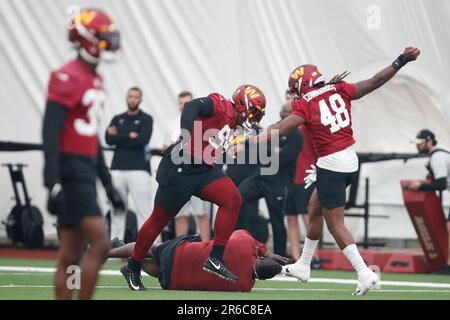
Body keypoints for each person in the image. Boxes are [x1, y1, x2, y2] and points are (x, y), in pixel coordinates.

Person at [233, 47, 421, 295]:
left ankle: (364, 272)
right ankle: (303, 265)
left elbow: (283, 128)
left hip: (332, 163)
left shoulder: (306, 102)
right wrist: (401, 61)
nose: (294, 94)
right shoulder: (339, 89)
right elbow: (375, 82)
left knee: (335, 224)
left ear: (303, 84)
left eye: (296, 88)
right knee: (314, 209)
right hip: (347, 159)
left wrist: (249, 142)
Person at [121, 84, 267, 290]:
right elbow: (190, 107)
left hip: (204, 169)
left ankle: (215, 257)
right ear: (242, 104)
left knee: (233, 200)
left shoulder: (235, 124)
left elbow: (215, 144)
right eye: (254, 111)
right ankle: (133, 266)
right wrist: (186, 137)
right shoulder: (221, 104)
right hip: (182, 166)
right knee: (158, 220)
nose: (255, 117)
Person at [42, 8, 125, 300]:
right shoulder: (67, 76)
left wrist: (108, 183)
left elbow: (91, 140)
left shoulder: (95, 78)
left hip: (86, 168)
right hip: (70, 169)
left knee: (69, 254)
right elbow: (49, 132)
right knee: (100, 244)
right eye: (104, 38)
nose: (109, 43)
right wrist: (51, 181)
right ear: (88, 39)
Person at [109, 230, 286, 292]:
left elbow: (242, 233)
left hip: (179, 253)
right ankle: (132, 261)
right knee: (165, 268)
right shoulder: (245, 286)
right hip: (172, 281)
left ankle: (109, 252)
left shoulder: (245, 244)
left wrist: (265, 251)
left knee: (150, 249)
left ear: (261, 258)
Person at [237, 103, 303, 257]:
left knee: (277, 221)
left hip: (279, 183)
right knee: (236, 198)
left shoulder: (297, 136)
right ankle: (236, 244)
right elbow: (259, 148)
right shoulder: (273, 128)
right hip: (261, 177)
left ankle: (279, 258)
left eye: (289, 112)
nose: (286, 115)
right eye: (284, 112)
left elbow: (285, 158)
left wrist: (271, 150)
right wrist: (273, 149)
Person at [105, 87, 153, 241]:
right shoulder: (117, 118)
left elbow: (142, 140)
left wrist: (119, 136)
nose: (133, 99)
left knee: (143, 211)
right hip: (117, 169)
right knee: (116, 210)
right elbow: (108, 139)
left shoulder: (146, 119)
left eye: (136, 97)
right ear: (126, 98)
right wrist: (129, 135)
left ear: (140, 99)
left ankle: (144, 250)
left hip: (139, 170)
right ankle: (114, 249)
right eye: (130, 96)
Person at [163, 91, 212, 242]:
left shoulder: (202, 122)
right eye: (181, 103)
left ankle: (205, 249)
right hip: (178, 173)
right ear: (178, 104)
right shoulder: (172, 124)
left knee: (202, 214)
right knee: (180, 214)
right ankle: (179, 251)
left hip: (197, 172)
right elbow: (164, 148)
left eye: (187, 103)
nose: (184, 106)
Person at [407, 129, 450, 275]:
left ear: (429, 142)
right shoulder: (439, 155)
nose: (417, 146)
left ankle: (449, 267)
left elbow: (441, 184)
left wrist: (421, 186)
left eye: (420, 143)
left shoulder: (437, 157)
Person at [286, 122, 321, 266]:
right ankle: (296, 256)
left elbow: (318, 149)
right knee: (291, 218)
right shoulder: (286, 128)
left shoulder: (307, 126)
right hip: (289, 177)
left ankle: (314, 257)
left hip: (306, 175)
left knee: (309, 217)